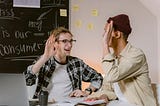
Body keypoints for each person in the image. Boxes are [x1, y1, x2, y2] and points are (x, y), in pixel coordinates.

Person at [86, 14, 157, 106]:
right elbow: (108, 88)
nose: (103, 35)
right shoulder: (113, 57)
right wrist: (103, 95)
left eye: (106, 31)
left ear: (117, 34)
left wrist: (105, 44)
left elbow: (112, 76)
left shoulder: (136, 55)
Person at [24, 27, 103, 102]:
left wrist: (87, 92)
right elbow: (27, 79)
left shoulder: (77, 63)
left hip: (70, 104)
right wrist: (45, 57)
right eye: (64, 41)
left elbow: (98, 78)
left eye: (71, 41)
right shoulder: (44, 61)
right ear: (55, 43)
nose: (70, 45)